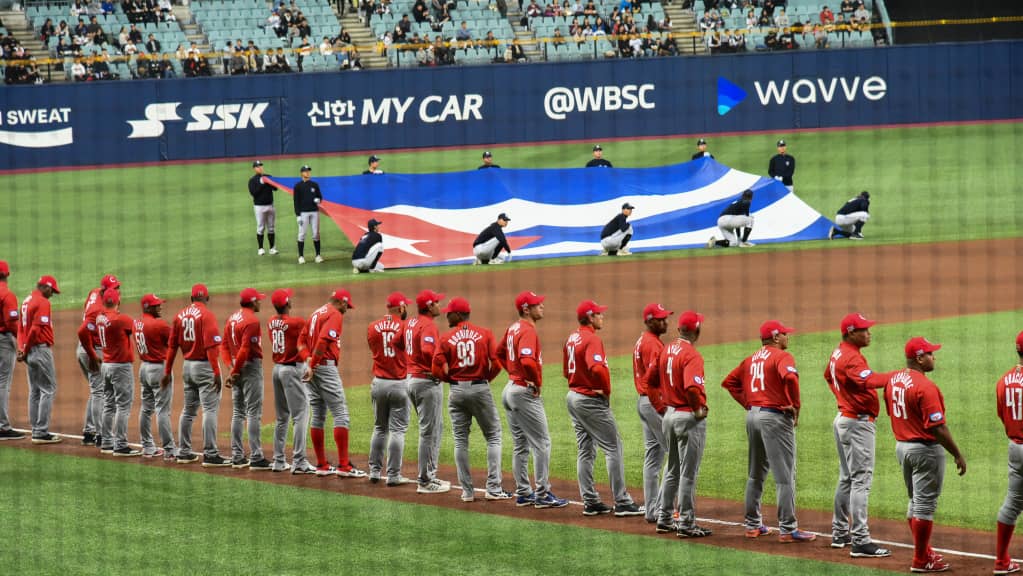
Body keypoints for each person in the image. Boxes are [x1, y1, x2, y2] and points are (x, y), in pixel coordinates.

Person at [722, 320, 817, 542]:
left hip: (753, 416)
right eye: (785, 334)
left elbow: (729, 382)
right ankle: (788, 529)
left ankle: (753, 525)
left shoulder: (751, 358)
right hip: (774, 417)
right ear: (775, 337)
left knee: (756, 473)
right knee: (785, 476)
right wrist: (796, 406)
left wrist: (748, 403)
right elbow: (791, 377)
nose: (787, 337)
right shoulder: (782, 357)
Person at [884, 337, 966, 573]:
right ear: (919, 358)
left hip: (902, 447)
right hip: (924, 451)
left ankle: (925, 552)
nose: (934, 357)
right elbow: (937, 427)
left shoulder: (894, 380)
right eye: (930, 354)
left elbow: (890, 409)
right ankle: (921, 560)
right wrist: (957, 454)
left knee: (915, 502)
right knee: (924, 506)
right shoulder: (926, 387)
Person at [563, 300, 643, 517]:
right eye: (598, 314)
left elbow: (565, 372)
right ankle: (622, 501)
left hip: (573, 396)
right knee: (613, 446)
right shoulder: (592, 339)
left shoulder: (572, 338)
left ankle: (590, 501)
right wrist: (605, 391)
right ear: (589, 317)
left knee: (585, 449)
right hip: (589, 398)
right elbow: (597, 368)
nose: (602, 317)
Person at [431, 297, 513, 502]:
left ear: (458, 314)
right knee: (493, 436)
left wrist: (449, 380)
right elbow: (497, 363)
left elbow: (435, 368)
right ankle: (493, 488)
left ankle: (467, 492)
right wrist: (486, 380)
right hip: (479, 389)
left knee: (460, 441)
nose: (446, 315)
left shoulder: (446, 337)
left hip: (457, 391)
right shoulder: (485, 334)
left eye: (449, 312)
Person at [825, 313, 893, 558]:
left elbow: (827, 376)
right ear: (851, 332)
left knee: (847, 478)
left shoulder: (838, 353)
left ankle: (840, 532)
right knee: (861, 480)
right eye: (864, 330)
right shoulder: (851, 358)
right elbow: (871, 381)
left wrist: (843, 398)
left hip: (844, 417)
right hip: (857, 423)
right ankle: (861, 540)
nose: (869, 333)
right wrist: (897, 376)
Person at [497, 291, 568, 509]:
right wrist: (535, 381)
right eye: (538, 305)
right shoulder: (527, 331)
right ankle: (543, 494)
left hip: (510, 388)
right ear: (526, 309)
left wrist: (513, 373)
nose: (542, 307)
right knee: (542, 443)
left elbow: (498, 353)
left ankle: (523, 492)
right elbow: (527, 361)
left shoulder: (513, 328)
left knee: (520, 444)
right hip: (522, 391)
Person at [645, 310, 711, 537]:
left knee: (671, 468)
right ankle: (686, 523)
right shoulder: (692, 355)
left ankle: (663, 518)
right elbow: (693, 388)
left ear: (680, 329)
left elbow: (649, 381)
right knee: (688, 473)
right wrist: (697, 410)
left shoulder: (666, 350)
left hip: (669, 416)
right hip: (687, 417)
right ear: (697, 330)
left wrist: (662, 406)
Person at [303, 289, 366, 478]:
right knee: (341, 414)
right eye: (347, 305)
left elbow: (301, 341)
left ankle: (322, 465)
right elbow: (323, 341)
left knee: (318, 413)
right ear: (342, 302)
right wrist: (313, 364)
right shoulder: (335, 314)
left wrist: (307, 361)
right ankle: (344, 466)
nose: (347, 309)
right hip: (323, 366)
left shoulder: (316, 312)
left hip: (311, 367)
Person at [163, 284, 228, 466]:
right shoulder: (207, 315)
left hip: (187, 367)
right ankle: (211, 454)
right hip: (204, 367)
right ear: (207, 298)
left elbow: (172, 346)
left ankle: (184, 451)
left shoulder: (179, 315)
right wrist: (216, 372)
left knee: (188, 411)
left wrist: (167, 371)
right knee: (210, 410)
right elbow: (211, 347)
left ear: (191, 298)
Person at [82, 288, 141, 456]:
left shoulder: (100, 317)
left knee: (108, 404)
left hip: (106, 365)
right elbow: (137, 327)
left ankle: (107, 442)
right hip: (120, 366)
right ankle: (121, 444)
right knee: (123, 406)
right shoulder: (120, 319)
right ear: (118, 301)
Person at [406, 289, 452, 494]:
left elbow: (398, 343)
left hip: (412, 379)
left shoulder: (412, 323)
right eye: (437, 303)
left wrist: (412, 362)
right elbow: (427, 350)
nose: (439, 305)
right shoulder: (428, 325)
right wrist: (437, 368)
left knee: (435, 428)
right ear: (429, 306)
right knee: (428, 431)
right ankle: (424, 480)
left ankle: (430, 475)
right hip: (425, 382)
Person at [267, 288, 315, 474]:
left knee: (282, 417)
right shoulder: (297, 322)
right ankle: (299, 461)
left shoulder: (271, 321)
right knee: (301, 415)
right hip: (292, 370)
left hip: (277, 369)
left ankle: (279, 460)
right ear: (287, 304)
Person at [366, 292, 412, 486]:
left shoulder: (372, 327)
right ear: (401, 308)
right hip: (399, 383)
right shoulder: (405, 327)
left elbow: (373, 349)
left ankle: (374, 472)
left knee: (379, 428)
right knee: (398, 431)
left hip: (378, 382)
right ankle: (393, 476)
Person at [632, 303, 672, 523]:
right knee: (675, 456)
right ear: (649, 321)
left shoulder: (645, 340)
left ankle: (652, 510)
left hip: (644, 402)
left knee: (654, 457)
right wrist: (661, 407)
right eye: (660, 319)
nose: (665, 322)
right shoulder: (651, 345)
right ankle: (664, 510)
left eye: (666, 318)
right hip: (653, 402)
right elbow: (652, 381)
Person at [222, 288, 270, 470]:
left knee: (238, 412)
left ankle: (237, 456)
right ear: (252, 302)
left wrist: (231, 369)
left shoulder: (232, 318)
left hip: (236, 365)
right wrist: (234, 370)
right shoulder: (252, 321)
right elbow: (245, 349)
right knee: (253, 412)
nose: (260, 302)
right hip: (249, 366)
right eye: (258, 300)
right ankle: (257, 457)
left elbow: (224, 347)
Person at [17, 275, 62, 444]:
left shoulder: (27, 300)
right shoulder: (43, 302)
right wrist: (27, 348)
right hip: (39, 349)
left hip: (28, 350)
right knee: (48, 389)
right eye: (52, 291)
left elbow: (20, 328)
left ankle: (36, 430)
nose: (52, 294)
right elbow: (35, 329)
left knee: (35, 390)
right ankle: (41, 432)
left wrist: (22, 348)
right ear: (47, 287)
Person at [76, 273, 120, 447]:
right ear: (105, 290)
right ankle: (101, 436)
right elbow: (82, 330)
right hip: (91, 350)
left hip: (86, 347)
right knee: (99, 392)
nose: (118, 290)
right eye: (115, 288)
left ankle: (89, 431)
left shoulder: (94, 292)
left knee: (96, 390)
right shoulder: (97, 310)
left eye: (117, 287)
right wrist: (93, 354)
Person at [993, 331, 1023, 576]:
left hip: (1015, 446)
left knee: (1012, 502)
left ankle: (1001, 561)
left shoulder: (1004, 380)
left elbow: (1002, 414)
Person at [133, 293, 176, 459]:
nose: (160, 307)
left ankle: (148, 447)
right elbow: (174, 341)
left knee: (146, 408)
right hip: (158, 369)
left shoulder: (136, 322)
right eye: (157, 305)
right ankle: (170, 450)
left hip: (144, 368)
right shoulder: (159, 325)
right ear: (148, 307)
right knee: (162, 410)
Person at [0, 261, 22, 440]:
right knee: (3, 382)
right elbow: (12, 323)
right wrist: (21, 342)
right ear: (7, 274)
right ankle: (2, 427)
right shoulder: (7, 294)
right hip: (3, 341)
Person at [293, 164, 323, 264]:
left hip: (314, 212)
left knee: (316, 234)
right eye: (306, 171)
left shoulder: (314, 185)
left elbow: (320, 197)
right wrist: (298, 215)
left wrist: (318, 200)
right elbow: (296, 202)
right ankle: (301, 256)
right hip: (303, 213)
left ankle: (318, 255)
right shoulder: (298, 186)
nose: (308, 173)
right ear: (302, 173)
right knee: (302, 234)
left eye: (308, 171)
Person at [249, 160, 278, 255]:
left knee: (271, 228)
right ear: (254, 169)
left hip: (270, 205)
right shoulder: (252, 180)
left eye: (261, 166)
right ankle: (260, 248)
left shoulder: (268, 177)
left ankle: (272, 248)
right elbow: (254, 193)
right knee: (260, 227)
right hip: (259, 207)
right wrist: (262, 183)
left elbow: (275, 188)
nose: (260, 168)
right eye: (257, 166)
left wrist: (269, 181)